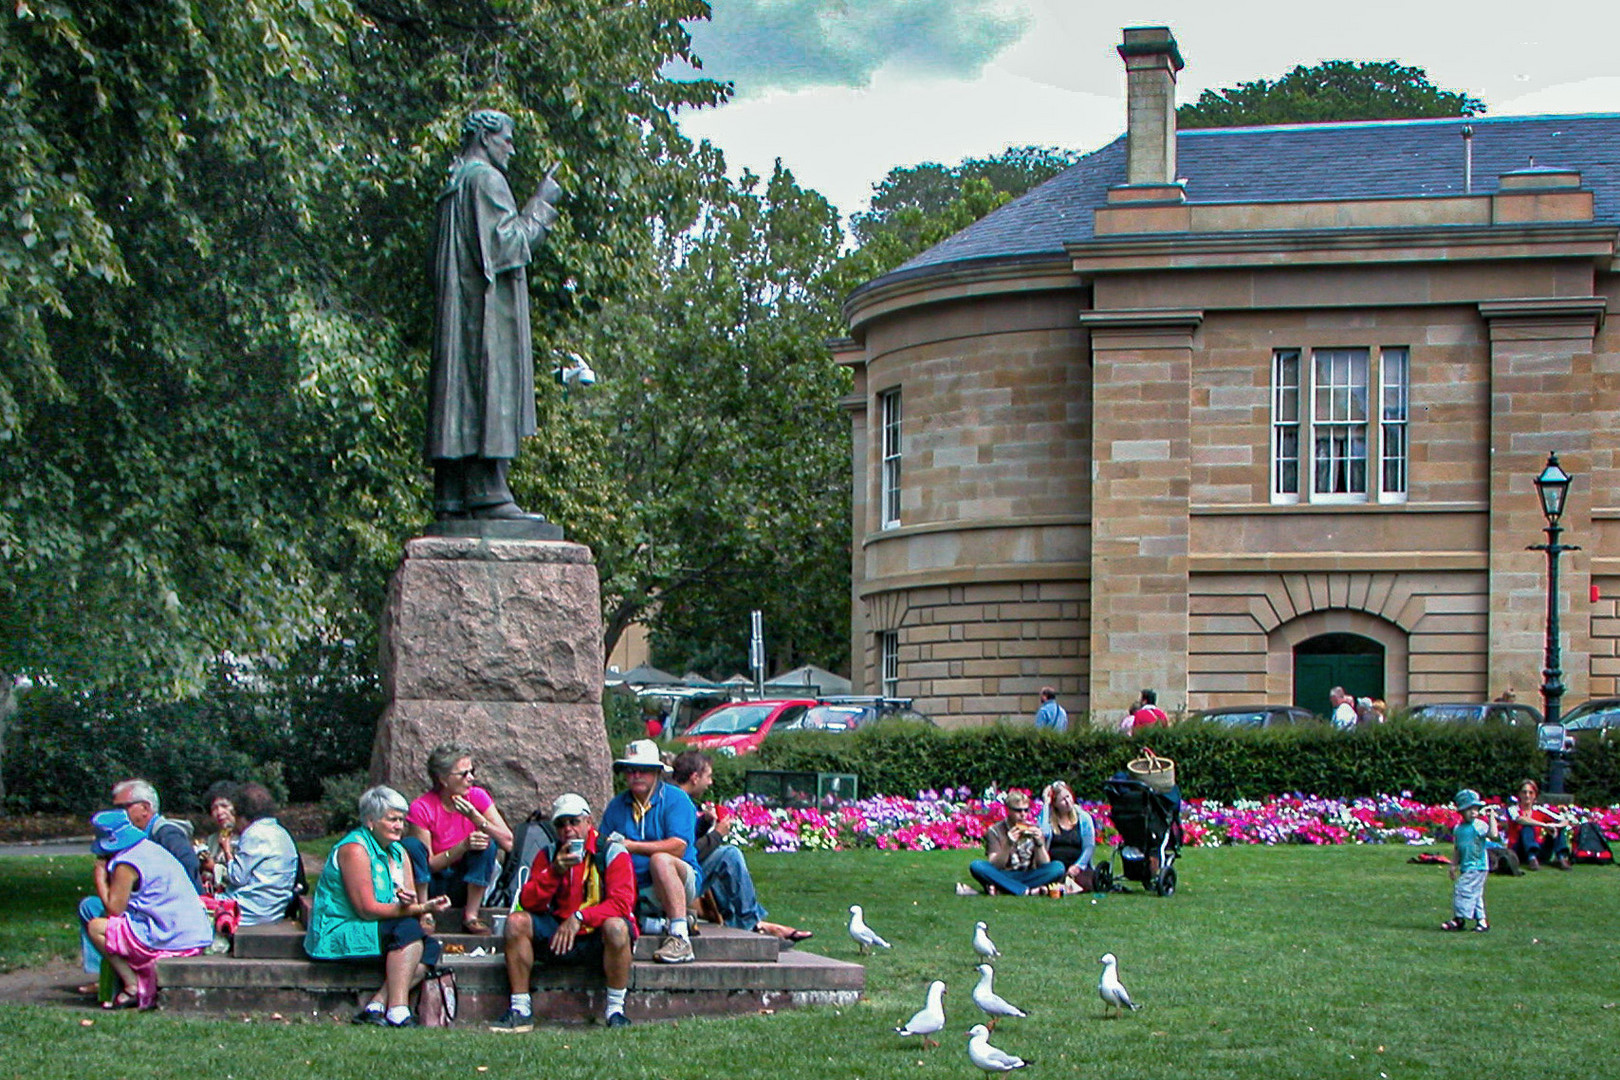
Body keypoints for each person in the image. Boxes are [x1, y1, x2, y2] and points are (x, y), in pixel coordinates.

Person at [427, 108, 564, 520]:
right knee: (489, 385)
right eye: (507, 139)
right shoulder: (486, 180)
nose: (512, 148)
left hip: (460, 313)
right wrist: (542, 202)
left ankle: (452, 490)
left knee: (459, 389)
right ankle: (488, 488)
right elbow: (509, 245)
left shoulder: (453, 184)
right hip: (486, 314)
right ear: (485, 138)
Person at [305, 785, 450, 1027]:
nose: (399, 826)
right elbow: (366, 909)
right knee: (408, 931)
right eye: (392, 819)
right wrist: (421, 909)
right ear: (371, 821)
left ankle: (376, 1005)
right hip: (341, 928)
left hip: (381, 925)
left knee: (431, 947)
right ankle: (399, 1010)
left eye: (402, 820)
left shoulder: (399, 851)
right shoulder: (355, 849)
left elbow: (410, 902)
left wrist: (411, 903)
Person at [490, 794, 636, 1032]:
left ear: (588, 822)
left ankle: (615, 1010)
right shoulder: (548, 854)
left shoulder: (612, 851)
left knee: (618, 927)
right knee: (516, 922)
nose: (568, 829)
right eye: (561, 824)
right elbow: (527, 901)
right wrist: (554, 872)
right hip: (557, 932)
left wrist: (580, 918)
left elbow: (622, 903)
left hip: (596, 934)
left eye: (574, 821)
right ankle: (520, 1008)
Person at [670, 750, 812, 942]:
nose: (710, 782)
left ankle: (748, 921)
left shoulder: (675, 798)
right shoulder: (679, 802)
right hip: (676, 880)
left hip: (677, 872)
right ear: (695, 777)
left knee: (724, 857)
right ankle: (750, 923)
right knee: (729, 855)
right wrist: (717, 834)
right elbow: (686, 851)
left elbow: (685, 840)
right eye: (708, 776)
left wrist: (703, 823)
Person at [77, 779, 203, 993]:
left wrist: (99, 875)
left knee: (98, 923)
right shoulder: (141, 845)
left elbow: (114, 908)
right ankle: (105, 973)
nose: (120, 812)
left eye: (124, 807)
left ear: (145, 807)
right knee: (90, 906)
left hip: (167, 921)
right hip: (176, 920)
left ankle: (130, 982)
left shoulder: (160, 837)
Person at [599, 739, 703, 964]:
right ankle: (667, 922)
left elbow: (678, 846)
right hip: (632, 886)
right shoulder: (617, 806)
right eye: (631, 770)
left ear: (657, 773)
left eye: (644, 770)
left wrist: (631, 846)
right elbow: (601, 847)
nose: (636, 775)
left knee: (661, 861)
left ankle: (680, 937)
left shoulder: (676, 799)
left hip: (678, 880)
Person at [403, 743, 515, 935]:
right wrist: (462, 846)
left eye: (472, 771)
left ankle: (471, 916)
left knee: (487, 844)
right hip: (434, 883)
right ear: (443, 779)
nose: (470, 778)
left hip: (465, 882)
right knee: (412, 846)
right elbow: (428, 865)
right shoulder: (422, 807)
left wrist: (477, 818)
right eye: (463, 774)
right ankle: (425, 913)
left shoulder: (477, 797)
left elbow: (508, 843)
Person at [218, 783, 301, 925]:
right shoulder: (280, 831)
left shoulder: (254, 833)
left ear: (242, 814)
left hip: (251, 911)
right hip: (274, 910)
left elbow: (237, 877)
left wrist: (226, 850)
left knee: (196, 905)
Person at [967, 789, 1066, 896]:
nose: (1023, 815)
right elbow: (996, 865)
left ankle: (1004, 888)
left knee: (1058, 867)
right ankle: (1025, 890)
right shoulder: (995, 831)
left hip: (1029, 874)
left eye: (1026, 810)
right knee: (977, 866)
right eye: (1018, 811)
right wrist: (1008, 844)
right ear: (1008, 811)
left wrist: (1039, 844)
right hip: (1004, 874)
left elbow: (1044, 864)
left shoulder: (1034, 828)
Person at [1441, 788, 1498, 932]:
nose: (1473, 812)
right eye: (1469, 809)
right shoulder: (1459, 829)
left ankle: (1459, 919)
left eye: (1476, 809)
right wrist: (1453, 865)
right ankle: (1482, 922)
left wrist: (1491, 818)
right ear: (1461, 811)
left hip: (1478, 865)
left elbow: (1493, 834)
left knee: (1462, 889)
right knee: (1476, 894)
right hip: (1467, 866)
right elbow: (1457, 849)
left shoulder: (1479, 826)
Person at [1504, 778, 1572, 871]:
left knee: (1558, 828)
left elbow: (1564, 820)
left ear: (1535, 795)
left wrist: (1555, 826)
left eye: (1530, 793)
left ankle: (1562, 858)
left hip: (1539, 850)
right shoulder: (1513, 809)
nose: (1527, 796)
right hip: (1518, 850)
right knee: (1527, 827)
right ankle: (1531, 858)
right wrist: (1544, 825)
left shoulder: (1539, 809)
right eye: (1524, 792)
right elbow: (1520, 820)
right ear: (1519, 794)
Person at [1039, 781, 1096, 889]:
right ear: (1054, 803)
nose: (1068, 802)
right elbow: (1044, 833)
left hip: (1078, 867)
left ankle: (1065, 886)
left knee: (1086, 880)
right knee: (1054, 874)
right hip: (1057, 867)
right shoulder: (1048, 819)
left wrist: (1078, 866)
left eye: (1068, 797)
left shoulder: (1083, 818)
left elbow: (1089, 847)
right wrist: (1046, 804)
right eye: (1063, 800)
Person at [197, 780, 242, 894]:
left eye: (224, 806)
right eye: (214, 808)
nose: (219, 812)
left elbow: (241, 877)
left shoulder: (244, 838)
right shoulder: (211, 840)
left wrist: (213, 867)